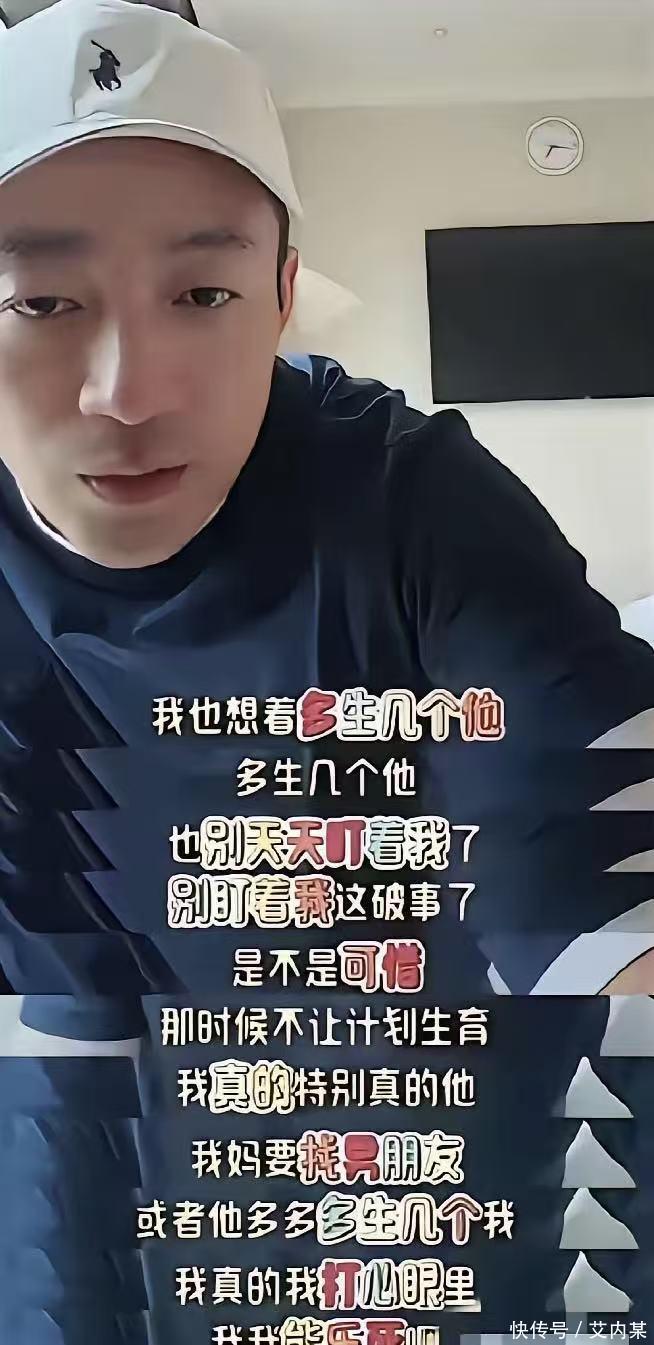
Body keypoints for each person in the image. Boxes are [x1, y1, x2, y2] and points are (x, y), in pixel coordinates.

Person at [0, 1, 653, 1341]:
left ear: (284, 297)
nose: (126, 390)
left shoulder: (416, 503)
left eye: (203, 295)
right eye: (42, 301)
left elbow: (596, 893)